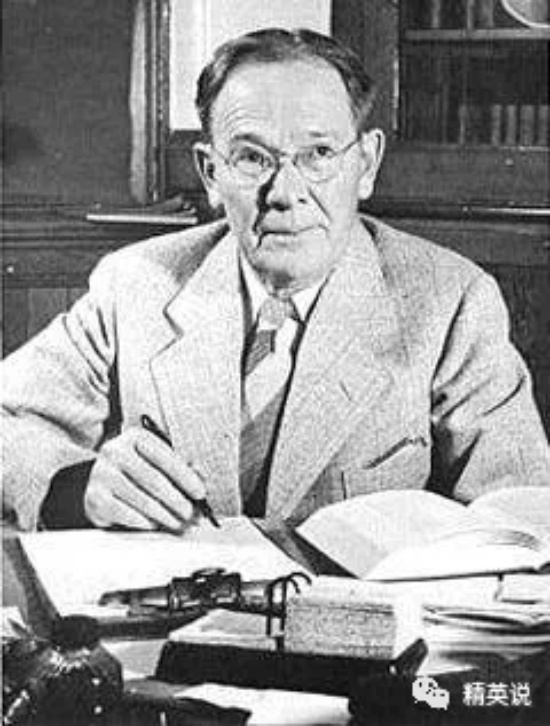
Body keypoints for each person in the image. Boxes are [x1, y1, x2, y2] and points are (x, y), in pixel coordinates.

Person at [2, 28, 549, 533]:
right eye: (252, 158)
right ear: (210, 173)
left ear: (366, 164)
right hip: (166, 604)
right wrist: (73, 486)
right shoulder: (137, 284)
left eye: (319, 154)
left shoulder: (450, 302)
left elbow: (521, 510)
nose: (285, 193)